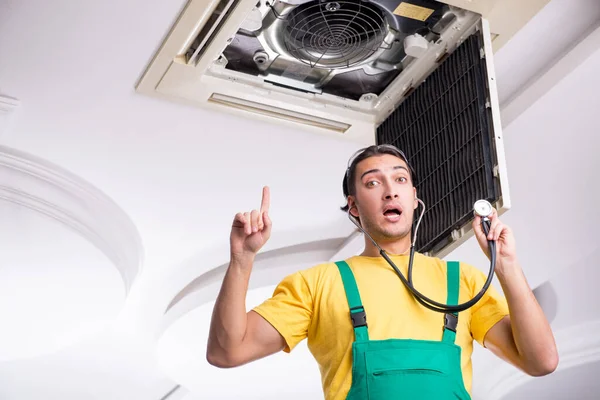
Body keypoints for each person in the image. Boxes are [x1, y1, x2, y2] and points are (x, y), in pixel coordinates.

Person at [206, 144, 558, 399]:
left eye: (400, 180)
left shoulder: (462, 281)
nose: (390, 190)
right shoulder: (317, 284)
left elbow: (541, 361)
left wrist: (507, 266)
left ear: (414, 198)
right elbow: (227, 352)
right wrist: (242, 258)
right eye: (373, 183)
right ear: (354, 207)